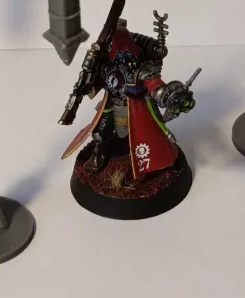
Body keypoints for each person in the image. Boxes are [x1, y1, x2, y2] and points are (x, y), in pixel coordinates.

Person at [61, 18, 195, 182]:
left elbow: (155, 85)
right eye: (116, 53)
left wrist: (169, 96)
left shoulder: (139, 67)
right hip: (111, 102)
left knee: (143, 138)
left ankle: (145, 165)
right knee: (99, 132)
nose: (122, 58)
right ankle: (100, 153)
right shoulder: (105, 63)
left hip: (136, 108)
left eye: (124, 54)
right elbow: (91, 82)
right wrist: (84, 86)